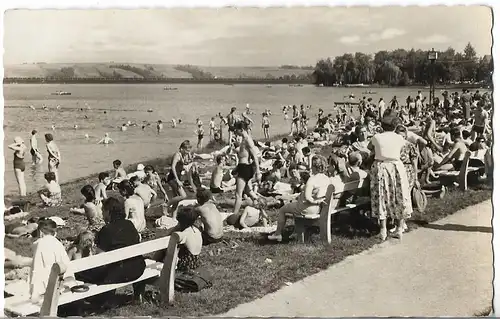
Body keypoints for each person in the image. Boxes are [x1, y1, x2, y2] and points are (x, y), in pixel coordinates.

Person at [75, 197, 145, 301]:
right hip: (137, 268)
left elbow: (100, 258)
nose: (102, 214)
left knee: (79, 273)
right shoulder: (129, 224)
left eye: (103, 211)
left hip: (119, 273)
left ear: (109, 212)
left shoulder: (107, 230)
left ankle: (95, 300)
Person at [368, 113, 412, 241]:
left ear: (382, 126)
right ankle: (399, 227)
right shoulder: (399, 138)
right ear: (394, 126)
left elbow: (370, 148)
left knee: (381, 195)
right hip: (396, 166)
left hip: (381, 166)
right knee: (398, 195)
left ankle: (383, 229)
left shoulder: (376, 137)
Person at [268, 155, 330, 242]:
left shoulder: (312, 179)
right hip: (320, 208)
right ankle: (296, 231)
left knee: (283, 210)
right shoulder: (327, 178)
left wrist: (317, 202)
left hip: (308, 208)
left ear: (313, 166)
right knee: (293, 207)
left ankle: (277, 234)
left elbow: (308, 198)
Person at [29, 219, 73, 301]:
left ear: (41, 232)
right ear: (54, 233)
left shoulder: (39, 244)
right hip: (60, 283)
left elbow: (37, 269)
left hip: (47, 288)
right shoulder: (58, 243)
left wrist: (34, 293)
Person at [155, 207, 202, 272]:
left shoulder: (183, 234)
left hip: (186, 263)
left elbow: (170, 240)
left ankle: (154, 261)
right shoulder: (196, 230)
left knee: (165, 248)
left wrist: (175, 229)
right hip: (195, 260)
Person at [231, 121, 262, 217]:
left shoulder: (248, 140)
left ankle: (234, 216)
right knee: (249, 191)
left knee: (238, 194)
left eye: (236, 130)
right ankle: (261, 206)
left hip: (245, 168)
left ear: (241, 129)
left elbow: (255, 156)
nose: (235, 131)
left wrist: (258, 171)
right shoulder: (243, 139)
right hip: (242, 167)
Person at [165, 140, 193, 217]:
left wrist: (189, 154)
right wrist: (177, 180)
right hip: (172, 178)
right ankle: (166, 205)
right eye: (187, 150)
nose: (188, 152)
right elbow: (173, 167)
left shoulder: (183, 155)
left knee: (176, 199)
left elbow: (188, 162)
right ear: (182, 149)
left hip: (176, 178)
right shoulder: (177, 155)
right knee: (183, 196)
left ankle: (173, 217)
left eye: (189, 151)